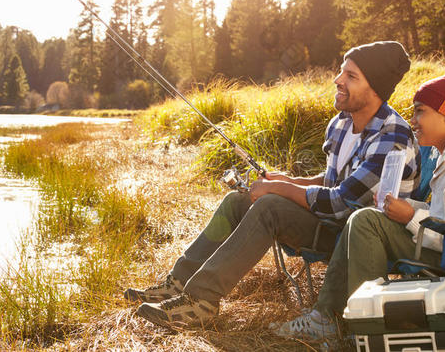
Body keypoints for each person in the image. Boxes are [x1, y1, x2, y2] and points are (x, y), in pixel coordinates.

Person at [125, 41, 420, 326]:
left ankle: (199, 302)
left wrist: (279, 189)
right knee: (238, 201)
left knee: (270, 206)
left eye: (351, 76)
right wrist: (288, 180)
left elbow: (341, 202)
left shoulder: (391, 136)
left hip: (353, 239)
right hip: (330, 222)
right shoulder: (342, 123)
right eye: (342, 71)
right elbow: (331, 181)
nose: (337, 79)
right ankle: (178, 283)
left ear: (375, 89)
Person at [272, 71, 445, 339]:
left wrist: (409, 217)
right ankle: (328, 316)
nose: (412, 120)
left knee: (366, 222)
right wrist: (407, 207)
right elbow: (444, 217)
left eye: (420, 112)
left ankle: (362, 326)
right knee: (364, 218)